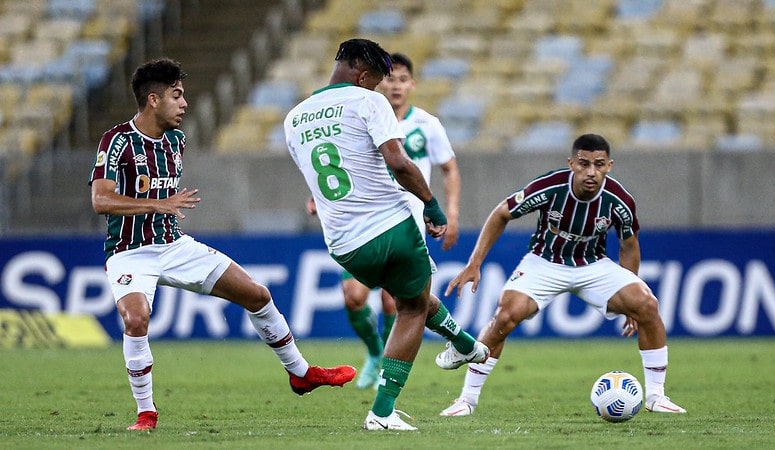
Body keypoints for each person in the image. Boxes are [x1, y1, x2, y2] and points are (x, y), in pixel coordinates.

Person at [89, 58, 356, 431]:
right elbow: (101, 201)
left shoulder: (175, 141)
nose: (184, 104)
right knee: (136, 319)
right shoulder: (117, 141)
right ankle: (146, 413)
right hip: (130, 252)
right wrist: (157, 204)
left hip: (174, 246)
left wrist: (163, 211)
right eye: (176, 96)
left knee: (258, 295)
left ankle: (301, 374)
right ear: (153, 100)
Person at [284, 39, 488, 431]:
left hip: (343, 244)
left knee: (409, 295)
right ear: (363, 76)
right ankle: (381, 411)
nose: (380, 88)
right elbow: (399, 162)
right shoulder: (367, 101)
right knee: (410, 308)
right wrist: (430, 203)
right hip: (390, 226)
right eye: (377, 81)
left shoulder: (294, 118)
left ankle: (464, 344)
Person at [439, 134, 686, 417]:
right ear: (571, 163)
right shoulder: (550, 187)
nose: (590, 172)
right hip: (544, 262)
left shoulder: (619, 201)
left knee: (647, 305)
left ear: (609, 166)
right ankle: (466, 400)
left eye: (599, 164)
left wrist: (631, 296)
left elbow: (629, 245)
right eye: (583, 164)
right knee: (506, 316)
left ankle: (656, 396)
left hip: (593, 265)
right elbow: (501, 213)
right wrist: (475, 262)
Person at [305, 52, 462, 390]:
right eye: (390, 79)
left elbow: (448, 167)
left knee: (395, 300)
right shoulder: (360, 114)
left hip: (406, 221)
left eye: (403, 80)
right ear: (379, 82)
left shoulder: (426, 125)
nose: (396, 86)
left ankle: (384, 370)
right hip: (363, 220)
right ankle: (376, 353)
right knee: (353, 297)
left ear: (412, 85)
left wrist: (451, 212)